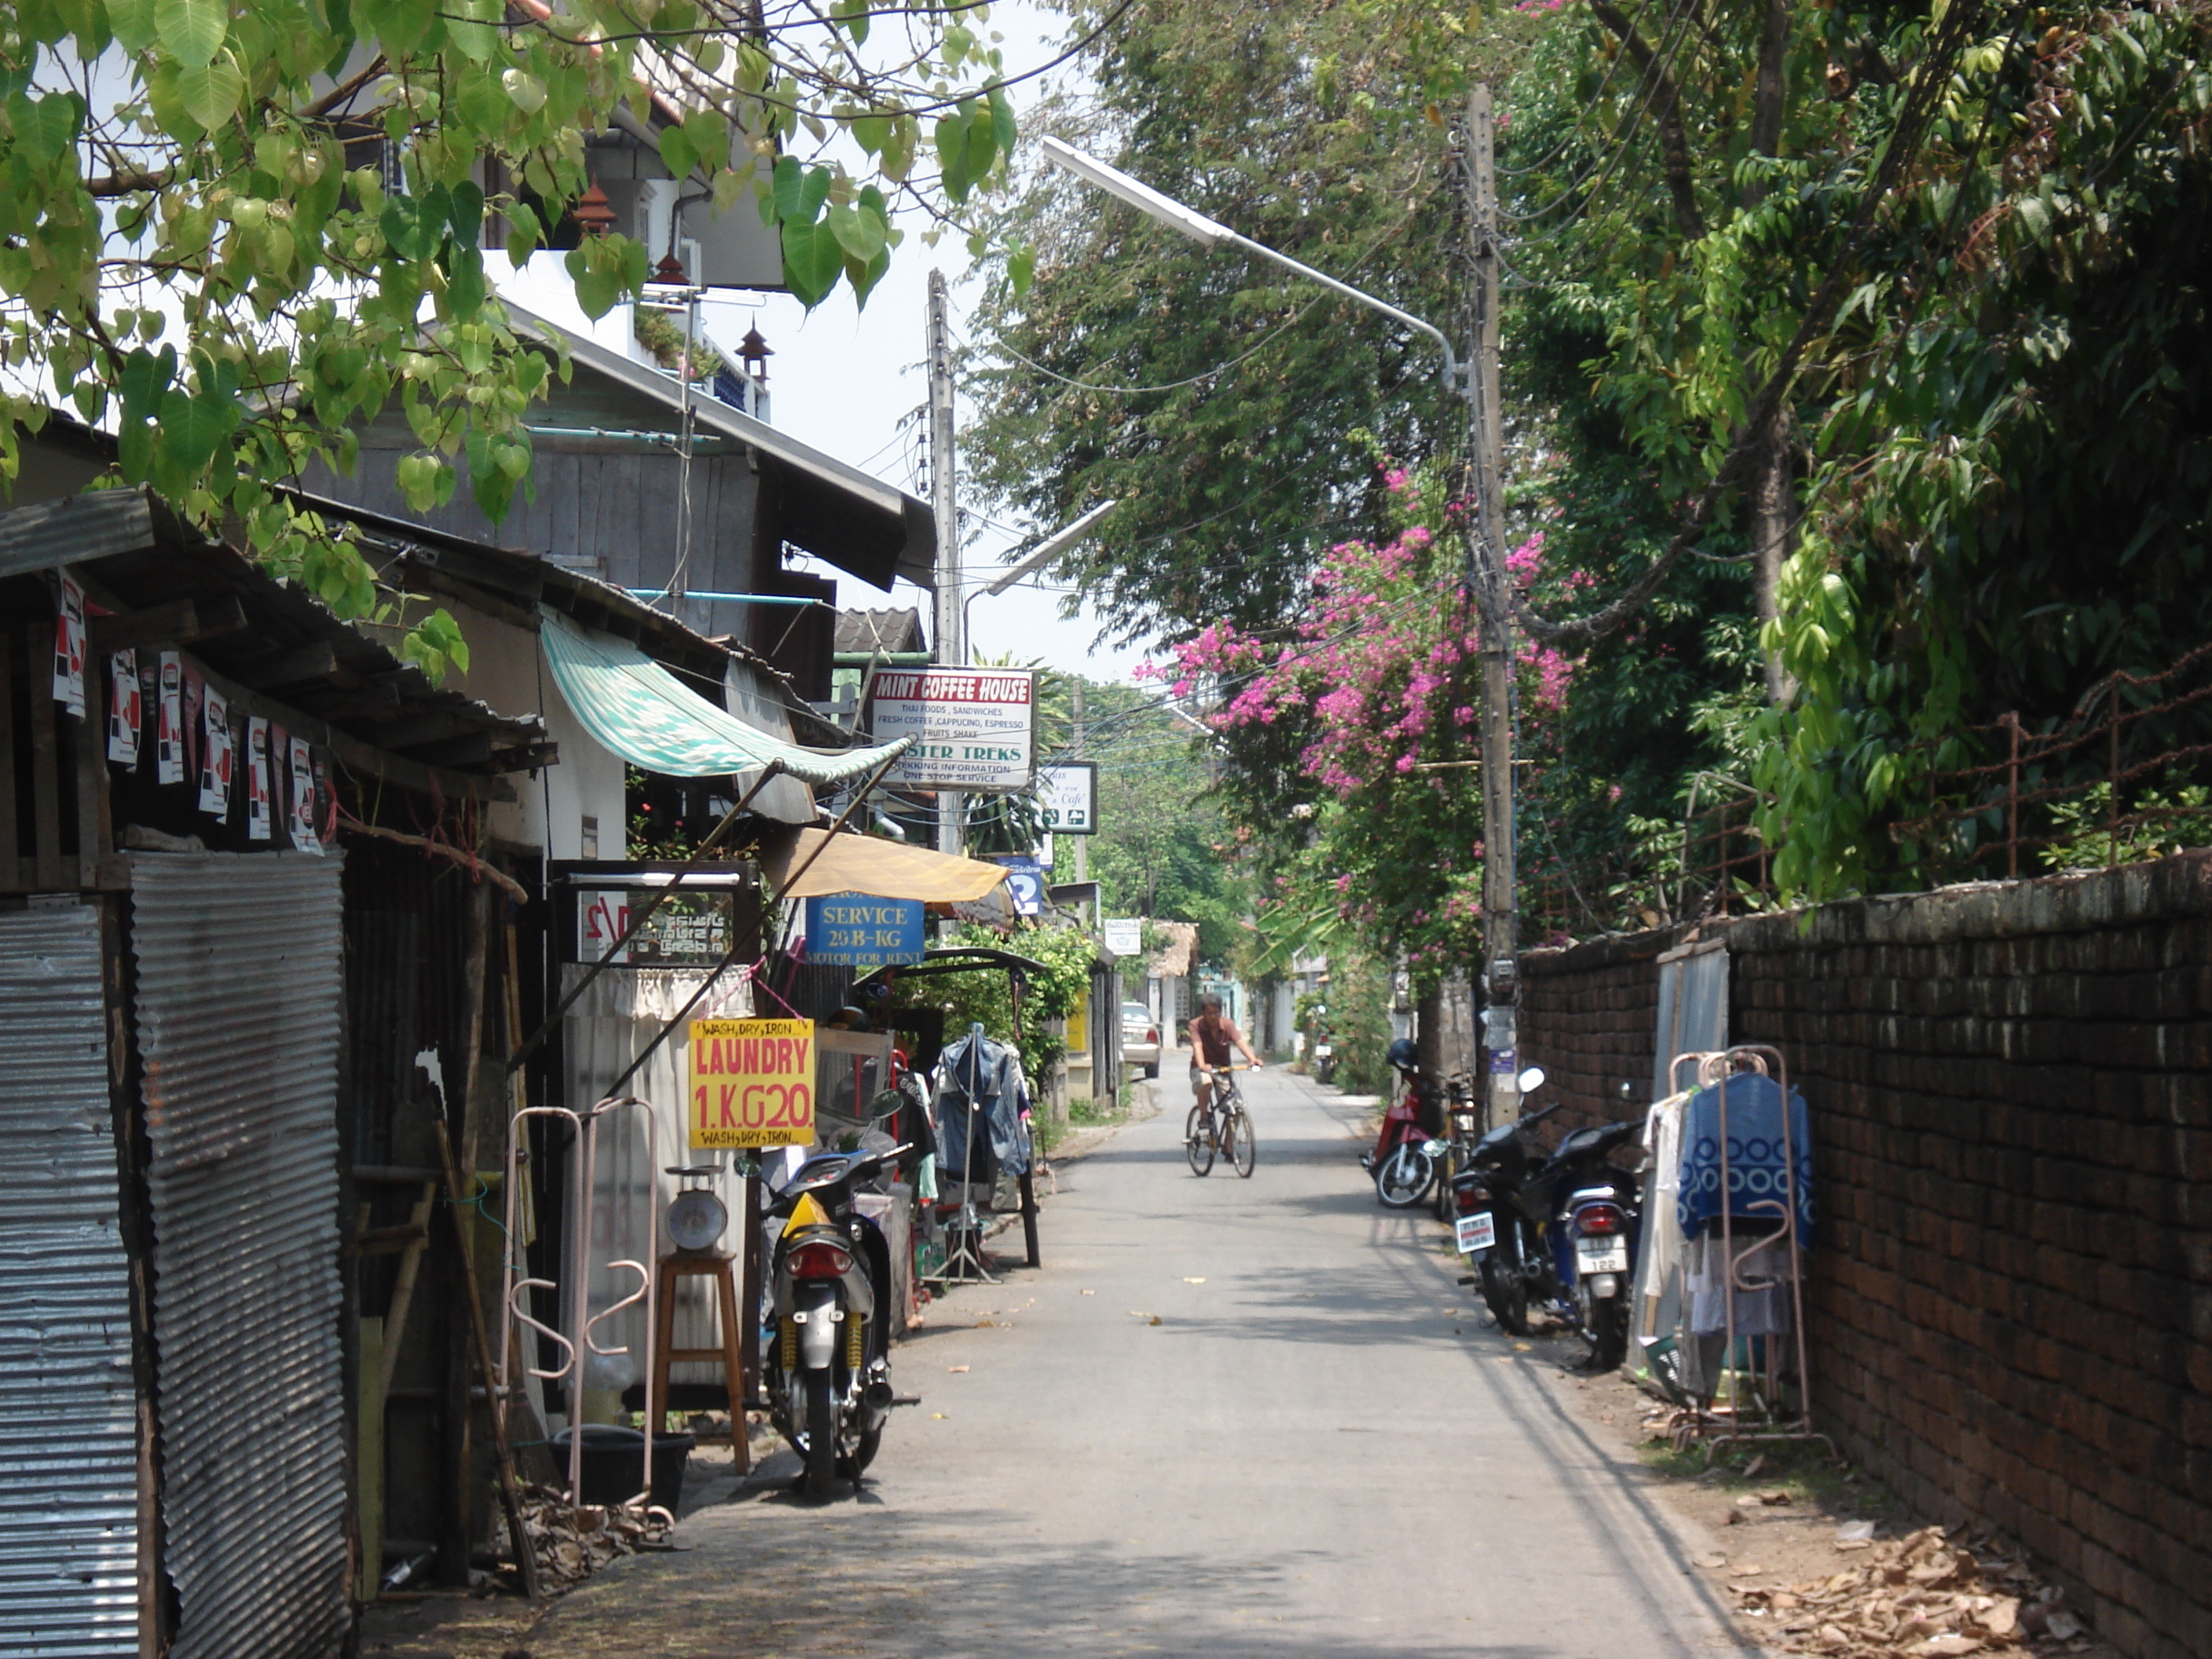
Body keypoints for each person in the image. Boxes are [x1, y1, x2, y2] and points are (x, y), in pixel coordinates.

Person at [1188, 994, 1262, 1114]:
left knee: (1236, 1107)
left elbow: (1240, 1042)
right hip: (1201, 1069)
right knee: (1206, 1082)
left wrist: (1252, 1059)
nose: (1213, 1017)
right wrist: (1202, 1065)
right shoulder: (1195, 1025)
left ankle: (1229, 1133)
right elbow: (1197, 1046)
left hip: (1223, 1069)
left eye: (1216, 1013)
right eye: (1209, 1013)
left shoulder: (1228, 1025)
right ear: (1203, 1013)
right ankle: (1203, 1116)